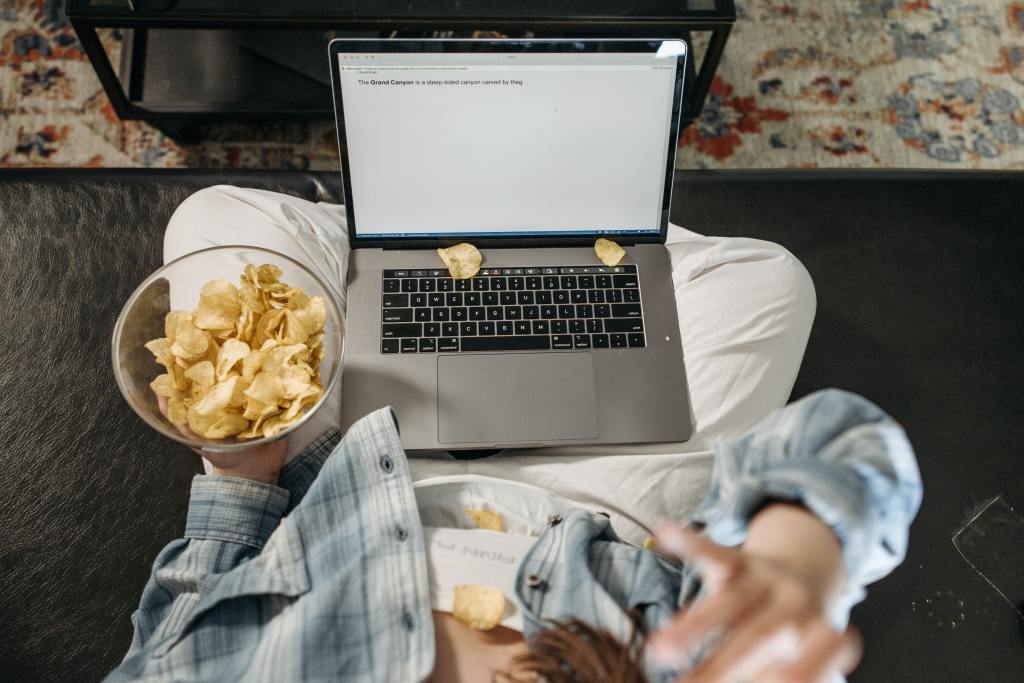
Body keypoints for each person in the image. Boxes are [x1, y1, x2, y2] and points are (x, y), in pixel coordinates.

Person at [105, 186, 921, 682]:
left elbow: (178, 625)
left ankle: (404, 227)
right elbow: (846, 439)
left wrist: (239, 475)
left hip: (345, 484)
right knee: (769, 281)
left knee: (216, 217)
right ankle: (542, 215)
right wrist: (799, 560)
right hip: (613, 514)